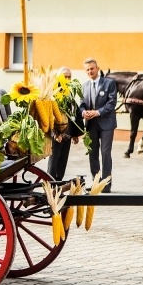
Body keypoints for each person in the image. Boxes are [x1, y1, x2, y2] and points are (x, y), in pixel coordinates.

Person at [80, 58, 117, 192]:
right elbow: (81, 104)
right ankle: (96, 183)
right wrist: (83, 112)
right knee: (93, 154)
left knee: (105, 153)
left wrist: (97, 112)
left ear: (97, 68)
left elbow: (111, 103)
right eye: (87, 69)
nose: (90, 71)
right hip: (91, 125)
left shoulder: (109, 83)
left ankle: (106, 185)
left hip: (107, 123)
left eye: (92, 68)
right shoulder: (84, 86)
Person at [46, 67, 84, 182]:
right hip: (57, 134)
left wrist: (75, 134)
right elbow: (49, 116)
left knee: (63, 160)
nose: (67, 79)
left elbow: (74, 113)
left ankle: (58, 183)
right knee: (54, 160)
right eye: (64, 77)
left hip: (68, 133)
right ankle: (50, 183)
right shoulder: (53, 93)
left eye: (69, 77)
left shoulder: (69, 92)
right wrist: (55, 133)